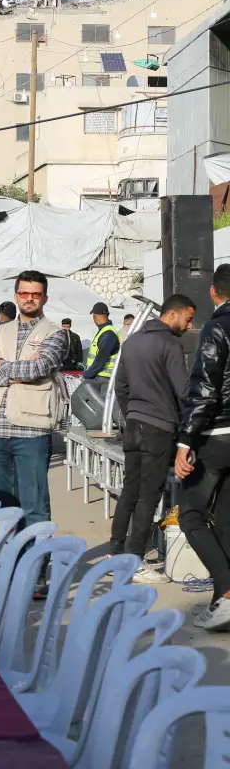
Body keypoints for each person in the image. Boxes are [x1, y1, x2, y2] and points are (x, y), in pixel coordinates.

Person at [0, 270, 67, 598]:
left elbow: (42, 366)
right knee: (3, 504)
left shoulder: (55, 334)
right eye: (24, 293)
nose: (30, 298)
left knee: (35, 504)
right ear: (16, 295)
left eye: (36, 294)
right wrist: (9, 373)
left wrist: (4, 367)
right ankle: (11, 563)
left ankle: (38, 571)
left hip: (32, 427)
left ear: (44, 298)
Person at [112, 294, 195, 584]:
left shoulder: (132, 341)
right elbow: (184, 392)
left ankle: (115, 554)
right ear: (172, 314)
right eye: (188, 318)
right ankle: (135, 562)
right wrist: (190, 426)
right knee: (149, 495)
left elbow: (121, 386)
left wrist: (132, 412)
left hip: (133, 424)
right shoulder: (170, 344)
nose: (189, 324)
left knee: (129, 491)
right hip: (158, 428)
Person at [175, 264, 230, 630]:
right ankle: (223, 603)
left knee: (190, 514)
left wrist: (185, 440)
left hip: (218, 435)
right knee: (226, 520)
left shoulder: (217, 327)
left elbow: (205, 389)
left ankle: (226, 594)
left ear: (213, 292)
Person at [83, 302, 121, 391]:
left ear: (95, 316)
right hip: (101, 378)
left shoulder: (108, 334)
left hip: (102, 379)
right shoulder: (105, 331)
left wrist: (87, 375)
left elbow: (100, 360)